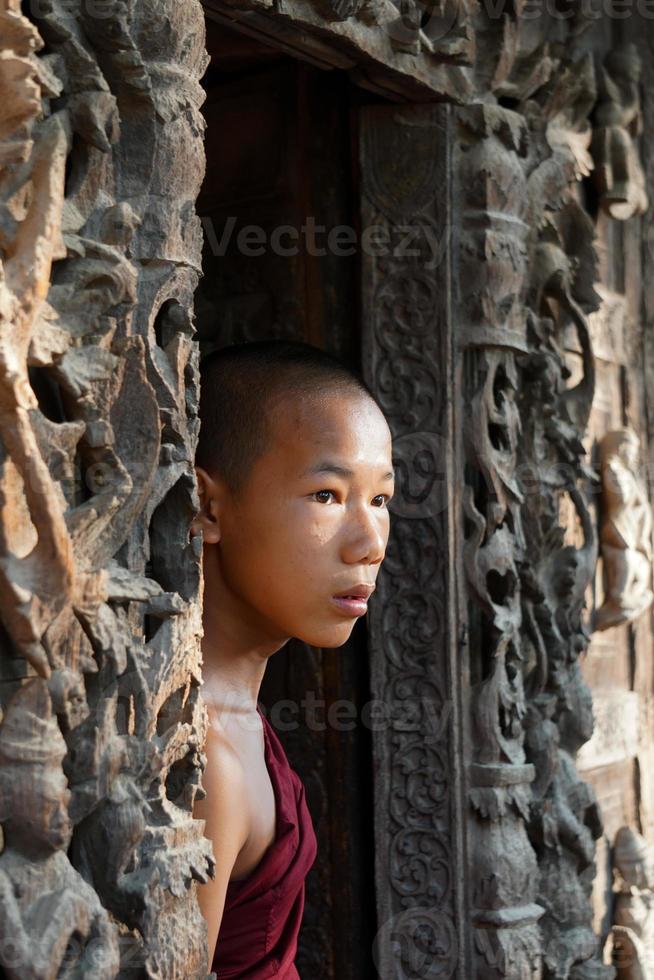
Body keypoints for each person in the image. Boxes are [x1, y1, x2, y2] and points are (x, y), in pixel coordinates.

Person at [190, 339, 395, 977]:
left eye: (380, 500)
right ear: (207, 505)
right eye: (327, 495)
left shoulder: (236, 715)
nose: (369, 545)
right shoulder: (205, 764)